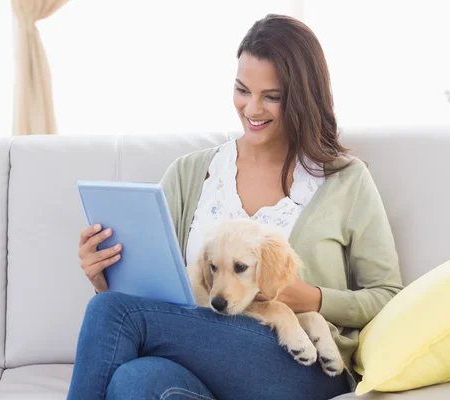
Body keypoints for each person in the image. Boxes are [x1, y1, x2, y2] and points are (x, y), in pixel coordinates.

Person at [68, 14, 403, 400]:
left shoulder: (346, 181)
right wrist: (103, 278)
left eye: (271, 96)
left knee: (111, 312)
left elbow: (387, 294)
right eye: (242, 90)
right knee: (136, 381)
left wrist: (311, 297)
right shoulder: (189, 173)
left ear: (302, 99)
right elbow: (157, 294)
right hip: (197, 358)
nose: (252, 108)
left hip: (300, 363)